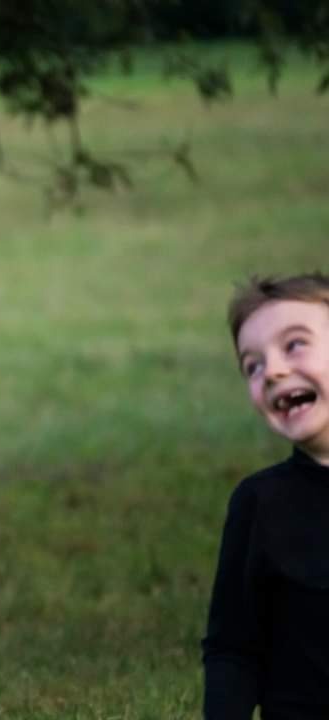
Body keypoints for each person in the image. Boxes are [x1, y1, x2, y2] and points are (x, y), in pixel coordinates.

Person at [202, 272, 329, 719]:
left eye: (294, 344)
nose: (272, 370)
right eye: (252, 366)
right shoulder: (260, 504)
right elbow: (233, 650)